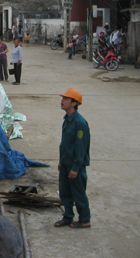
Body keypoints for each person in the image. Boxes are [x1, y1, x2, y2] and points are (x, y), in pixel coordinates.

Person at [54, 88, 91, 229]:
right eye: (62, 98)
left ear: (74, 103)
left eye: (66, 99)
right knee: (65, 193)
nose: (62, 101)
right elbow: (65, 144)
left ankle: (85, 220)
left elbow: (81, 148)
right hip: (65, 163)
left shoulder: (80, 123)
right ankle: (68, 217)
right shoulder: (67, 120)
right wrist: (61, 161)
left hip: (75, 165)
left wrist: (75, 168)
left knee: (78, 193)